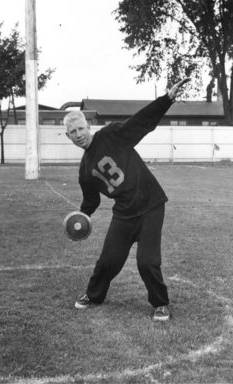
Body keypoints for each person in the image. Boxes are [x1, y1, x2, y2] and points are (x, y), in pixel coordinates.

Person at [63, 78, 190, 321]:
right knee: (108, 261)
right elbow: (91, 203)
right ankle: (94, 295)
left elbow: (140, 123)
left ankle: (160, 304)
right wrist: (79, 219)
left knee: (147, 261)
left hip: (150, 204)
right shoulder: (84, 170)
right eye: (72, 133)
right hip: (124, 213)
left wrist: (166, 100)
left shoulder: (111, 135)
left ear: (87, 126)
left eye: (80, 129)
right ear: (68, 137)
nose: (78, 135)